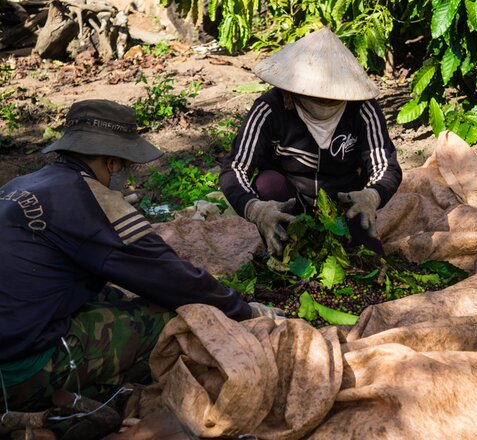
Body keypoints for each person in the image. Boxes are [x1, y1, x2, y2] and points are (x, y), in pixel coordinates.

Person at [0, 99, 281, 416]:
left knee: (110, 296)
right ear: (113, 163)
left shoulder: (22, 184)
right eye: (127, 165)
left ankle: (91, 390)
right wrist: (242, 310)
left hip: (13, 336)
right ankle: (55, 399)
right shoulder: (91, 199)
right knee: (171, 320)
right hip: (20, 368)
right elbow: (169, 277)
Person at [220, 27, 402, 256]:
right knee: (267, 183)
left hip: (347, 202)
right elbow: (235, 167)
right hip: (290, 204)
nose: (325, 102)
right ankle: (284, 243)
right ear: (291, 90)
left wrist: (371, 196)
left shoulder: (363, 109)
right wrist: (256, 210)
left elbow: (385, 165)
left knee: (367, 259)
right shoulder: (269, 108)